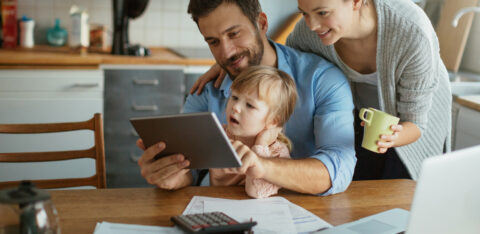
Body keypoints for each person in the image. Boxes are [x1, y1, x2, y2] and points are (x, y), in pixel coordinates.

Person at [192, 0, 451, 180]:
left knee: (405, 193)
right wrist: (229, 63)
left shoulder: (411, 31)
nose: (313, 24)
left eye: (322, 12)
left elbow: (416, 122)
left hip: (413, 121)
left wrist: (392, 137)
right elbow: (286, 60)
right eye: (304, 13)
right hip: (365, 119)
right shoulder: (310, 32)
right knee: (362, 192)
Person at [137, 0, 357, 195]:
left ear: (261, 23)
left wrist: (262, 167)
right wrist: (172, 176)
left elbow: (339, 168)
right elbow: (190, 170)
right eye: (213, 42)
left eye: (234, 34)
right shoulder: (206, 91)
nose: (226, 52)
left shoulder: (322, 80)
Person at [211, 65, 297, 198]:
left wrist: (260, 145)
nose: (236, 107)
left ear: (273, 121)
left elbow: (256, 192)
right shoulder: (220, 135)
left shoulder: (276, 153)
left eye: (250, 105)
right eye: (234, 97)